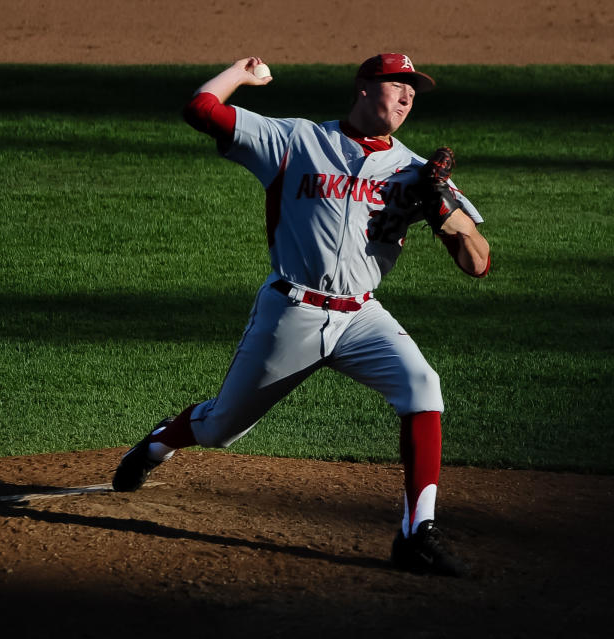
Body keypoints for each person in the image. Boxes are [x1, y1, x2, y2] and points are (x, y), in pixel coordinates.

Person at [112, 53, 490, 577]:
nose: (406, 97)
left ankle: (416, 532)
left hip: (362, 316)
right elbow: (200, 110)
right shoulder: (295, 141)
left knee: (424, 385)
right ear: (362, 87)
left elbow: (479, 264)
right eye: (396, 85)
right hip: (292, 310)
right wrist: (242, 74)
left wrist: (451, 220)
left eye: (413, 90)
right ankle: (160, 442)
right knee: (221, 428)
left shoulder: (414, 170)